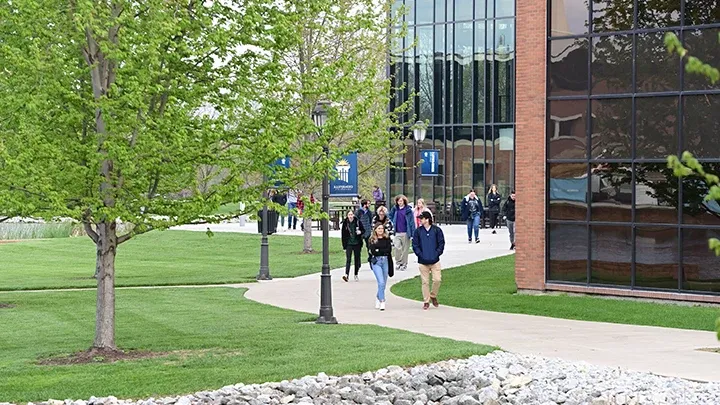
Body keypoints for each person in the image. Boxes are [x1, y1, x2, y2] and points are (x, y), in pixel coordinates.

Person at [412, 211, 445, 310]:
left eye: (422, 218)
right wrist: (420, 254)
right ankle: (426, 301)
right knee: (425, 282)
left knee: (437, 280)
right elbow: (415, 245)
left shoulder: (437, 230)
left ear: (427, 219)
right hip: (423, 261)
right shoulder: (418, 231)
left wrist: (437, 253)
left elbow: (441, 243)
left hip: (435, 261)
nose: (420, 220)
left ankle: (433, 295)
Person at [367, 223, 394, 311]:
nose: (380, 230)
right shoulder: (372, 239)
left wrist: (380, 250)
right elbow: (373, 251)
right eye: (379, 229)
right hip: (376, 262)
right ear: (375, 230)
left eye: (382, 229)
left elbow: (388, 250)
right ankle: (382, 301)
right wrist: (380, 251)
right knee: (381, 282)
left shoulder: (387, 239)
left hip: (385, 261)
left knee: (384, 283)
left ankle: (378, 296)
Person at [388, 194, 416, 272]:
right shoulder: (395, 209)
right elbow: (389, 216)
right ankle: (398, 262)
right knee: (397, 247)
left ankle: (404, 264)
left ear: (404, 201)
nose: (400, 202)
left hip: (405, 232)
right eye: (398, 201)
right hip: (397, 231)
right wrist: (392, 222)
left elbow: (411, 222)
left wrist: (413, 233)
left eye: (401, 201)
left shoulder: (408, 210)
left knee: (405, 249)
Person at [341, 210, 365, 282]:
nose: (350, 216)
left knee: (356, 259)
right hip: (349, 243)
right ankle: (346, 275)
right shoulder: (345, 223)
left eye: (351, 214)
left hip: (357, 243)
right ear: (347, 216)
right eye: (349, 215)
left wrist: (360, 232)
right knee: (348, 259)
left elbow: (363, 230)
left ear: (353, 215)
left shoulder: (357, 222)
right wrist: (344, 246)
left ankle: (356, 274)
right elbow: (343, 235)